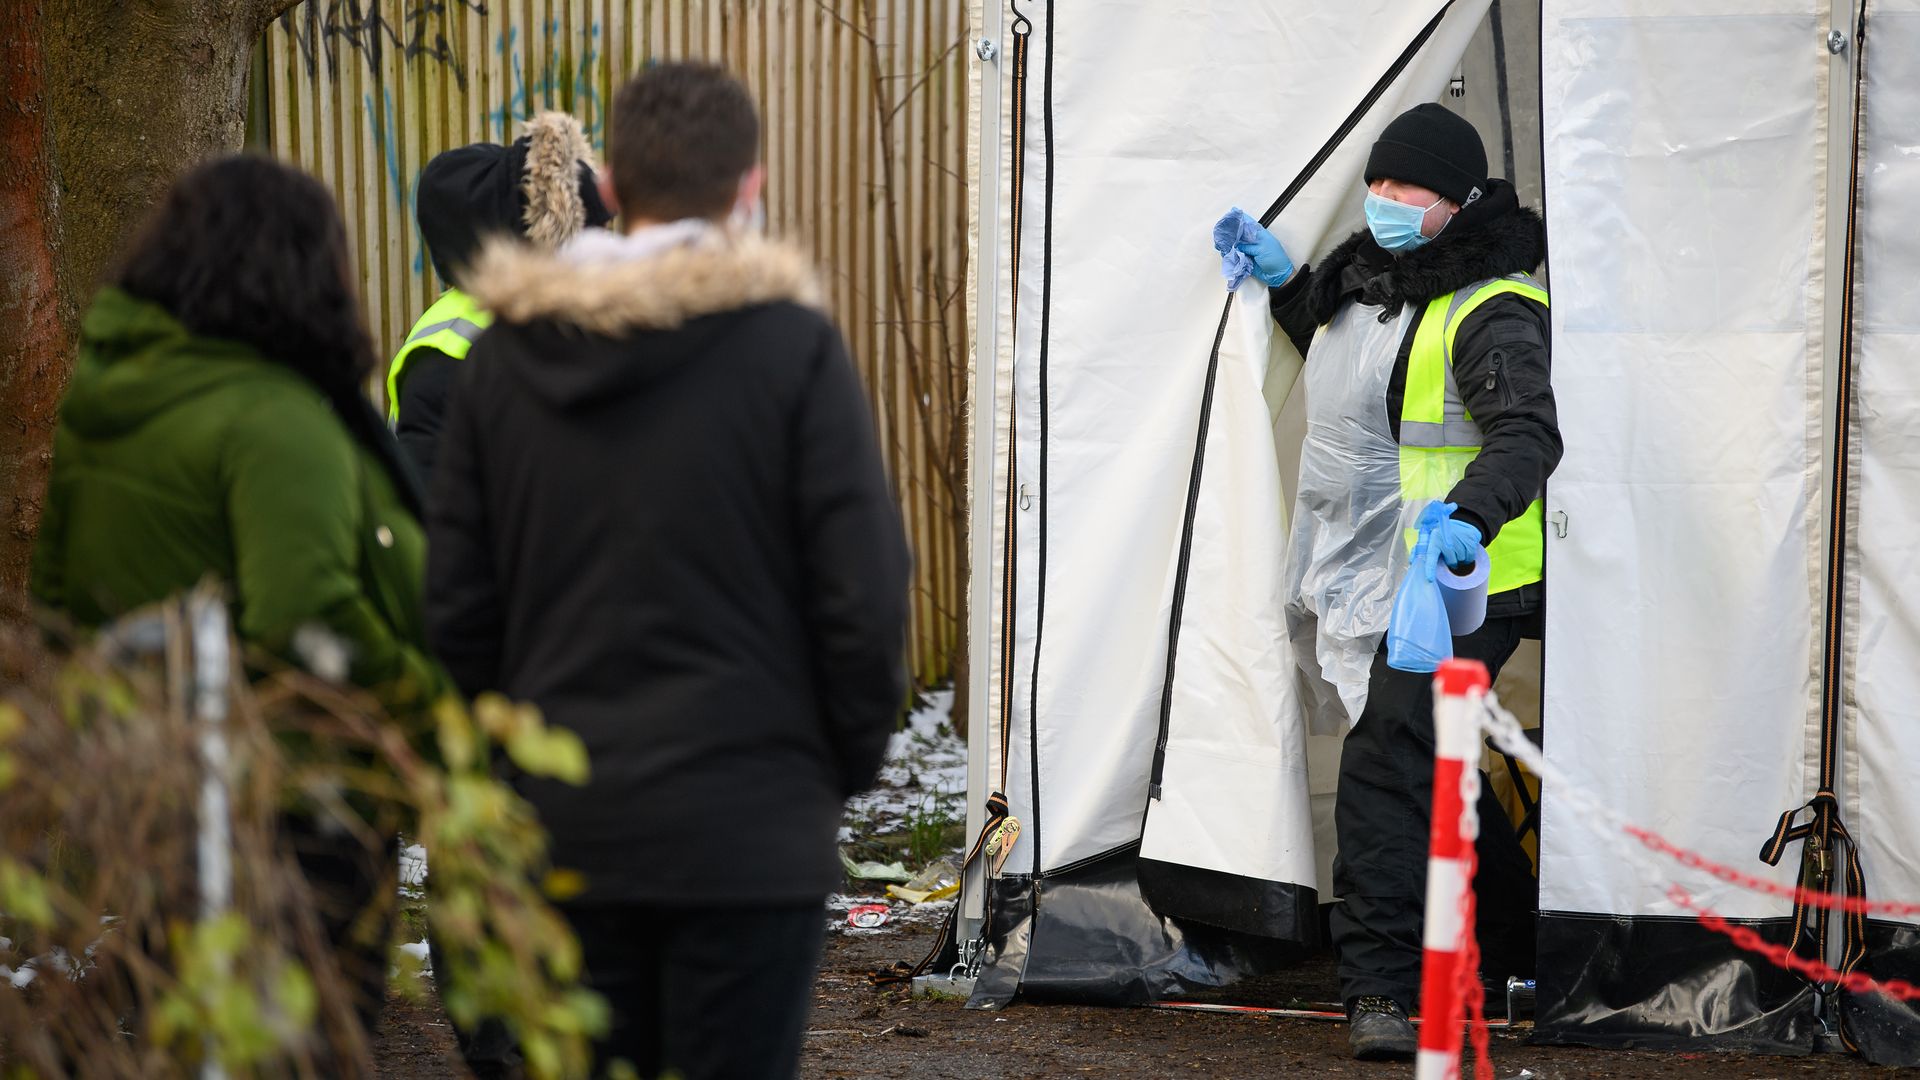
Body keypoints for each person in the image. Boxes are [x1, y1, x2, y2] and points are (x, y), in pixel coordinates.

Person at [425, 61, 910, 1080]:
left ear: (610, 191)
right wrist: (829, 775)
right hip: (750, 837)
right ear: (750, 187)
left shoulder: (505, 363)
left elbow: (460, 615)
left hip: (564, 833)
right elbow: (863, 596)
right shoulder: (794, 352)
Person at [29, 155, 445, 1054]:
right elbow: (307, 612)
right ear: (303, 268)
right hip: (298, 805)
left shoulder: (110, 403)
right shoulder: (274, 416)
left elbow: (54, 603)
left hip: (160, 804)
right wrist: (425, 695)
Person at [1216, 102, 1560, 1060]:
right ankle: (1521, 954)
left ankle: (1381, 989)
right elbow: (1353, 381)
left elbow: (1527, 432)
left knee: (1384, 766)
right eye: (1376, 183)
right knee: (1429, 763)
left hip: (1455, 583)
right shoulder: (1375, 282)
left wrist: (1469, 521)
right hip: (1364, 570)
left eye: (1406, 187)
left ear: (1455, 203)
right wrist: (1287, 290)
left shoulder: (1492, 305)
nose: (1383, 201)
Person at [389, 111, 613, 479]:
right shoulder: (445, 358)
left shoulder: (575, 323)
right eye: (586, 235)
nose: (607, 248)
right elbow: (433, 513)